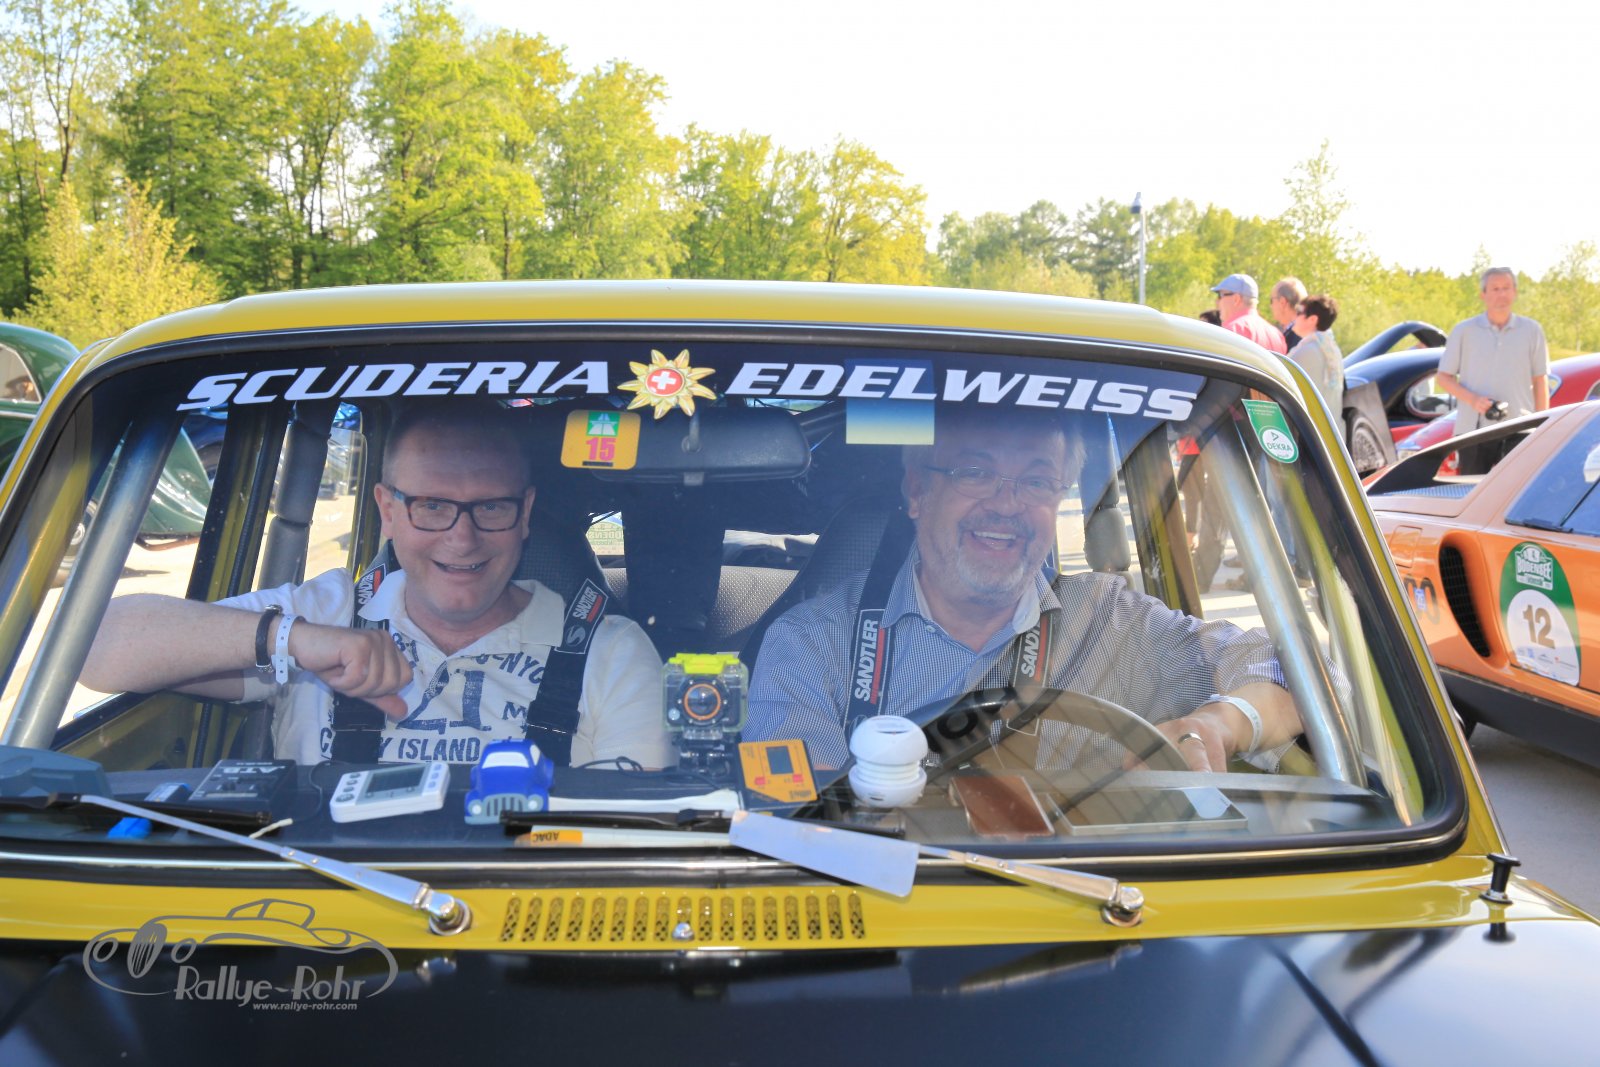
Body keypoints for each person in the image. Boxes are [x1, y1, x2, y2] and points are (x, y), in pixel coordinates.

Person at [82, 401, 672, 768]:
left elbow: (634, 845)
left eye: (491, 507)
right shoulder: (325, 610)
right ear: (387, 511)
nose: (461, 538)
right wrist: (297, 641)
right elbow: (92, 645)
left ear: (525, 514)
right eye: (432, 506)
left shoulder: (610, 652)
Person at [743, 405, 1302, 774]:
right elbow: (800, 830)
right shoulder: (814, 644)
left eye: (1036, 481)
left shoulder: (1113, 625)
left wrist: (1221, 723)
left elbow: (1304, 674)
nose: (1006, 503)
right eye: (974, 472)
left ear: (1059, 497)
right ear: (916, 491)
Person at [1438, 267, 1550, 436]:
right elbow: (1443, 378)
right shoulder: (1464, 331)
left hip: (1520, 429)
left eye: (1506, 288)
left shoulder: (1532, 330)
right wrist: (1473, 400)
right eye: (1495, 289)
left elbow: (1540, 380)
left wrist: (1541, 427)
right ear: (1483, 294)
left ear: (1515, 292)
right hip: (1472, 430)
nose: (1501, 294)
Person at [1288, 294, 1343, 415]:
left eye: (1299, 312)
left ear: (1313, 319)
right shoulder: (1332, 348)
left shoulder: (1309, 351)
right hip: (1330, 423)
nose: (1294, 316)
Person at [1212, 273, 1287, 354]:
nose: (1217, 301)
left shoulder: (1233, 330)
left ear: (1236, 299)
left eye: (1220, 295)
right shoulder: (1277, 335)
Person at [1270, 278, 1308, 351]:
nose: (1271, 306)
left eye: (1272, 300)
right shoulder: (1307, 332)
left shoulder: (1298, 336)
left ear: (1283, 302)